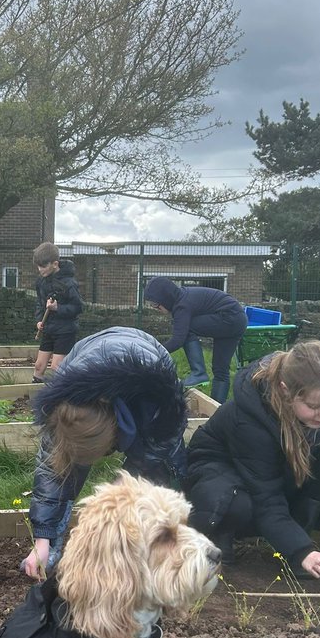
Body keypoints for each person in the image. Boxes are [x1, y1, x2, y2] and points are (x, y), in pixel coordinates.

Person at [184, 339, 320, 577]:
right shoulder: (250, 422)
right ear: (285, 391)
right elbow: (266, 495)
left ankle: (296, 534)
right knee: (236, 504)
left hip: (266, 468)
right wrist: (301, 551)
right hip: (217, 469)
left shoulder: (318, 411)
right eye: (314, 406)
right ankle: (218, 534)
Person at [21, 327, 187, 579]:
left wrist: (126, 486)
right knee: (64, 470)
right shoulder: (64, 410)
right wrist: (42, 539)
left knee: (156, 475)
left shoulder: (161, 405)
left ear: (115, 434)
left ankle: (148, 551)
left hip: (149, 365)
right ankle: (52, 546)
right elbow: (51, 473)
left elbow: (159, 446)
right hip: (88, 352)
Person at [143, 276, 248, 404]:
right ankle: (216, 408)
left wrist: (153, 349)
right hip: (238, 320)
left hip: (228, 317)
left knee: (188, 328)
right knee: (221, 370)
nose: (155, 308)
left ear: (165, 298)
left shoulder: (182, 305)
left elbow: (178, 340)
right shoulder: (183, 297)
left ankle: (198, 372)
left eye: (155, 304)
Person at [31, 242, 83, 383]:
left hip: (65, 331)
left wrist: (57, 308)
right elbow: (39, 303)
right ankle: (35, 397)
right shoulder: (41, 282)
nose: (39, 270)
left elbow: (78, 307)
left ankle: (61, 398)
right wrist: (39, 320)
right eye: (38, 266)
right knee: (39, 366)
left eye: (43, 266)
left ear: (55, 264)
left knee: (57, 367)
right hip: (48, 329)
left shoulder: (69, 283)